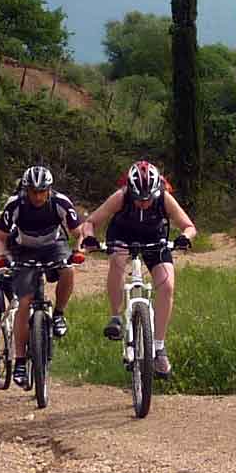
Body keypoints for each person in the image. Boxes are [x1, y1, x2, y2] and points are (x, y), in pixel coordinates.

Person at [76, 159, 196, 379]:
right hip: (122, 235)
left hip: (154, 239)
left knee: (167, 285)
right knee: (118, 260)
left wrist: (184, 238)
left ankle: (159, 347)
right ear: (130, 190)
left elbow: (189, 226)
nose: (143, 203)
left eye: (148, 198)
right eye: (138, 198)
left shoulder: (164, 199)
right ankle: (115, 317)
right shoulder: (120, 197)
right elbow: (91, 222)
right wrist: (91, 237)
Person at [0, 165, 81, 389]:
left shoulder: (60, 203)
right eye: (33, 191)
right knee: (24, 302)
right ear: (26, 190)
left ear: (49, 189)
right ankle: (20, 362)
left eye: (43, 191)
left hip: (54, 246)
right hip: (24, 249)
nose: (38, 196)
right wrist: (1, 257)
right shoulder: (15, 205)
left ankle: (59, 314)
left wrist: (79, 249)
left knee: (68, 269)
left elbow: (79, 233)